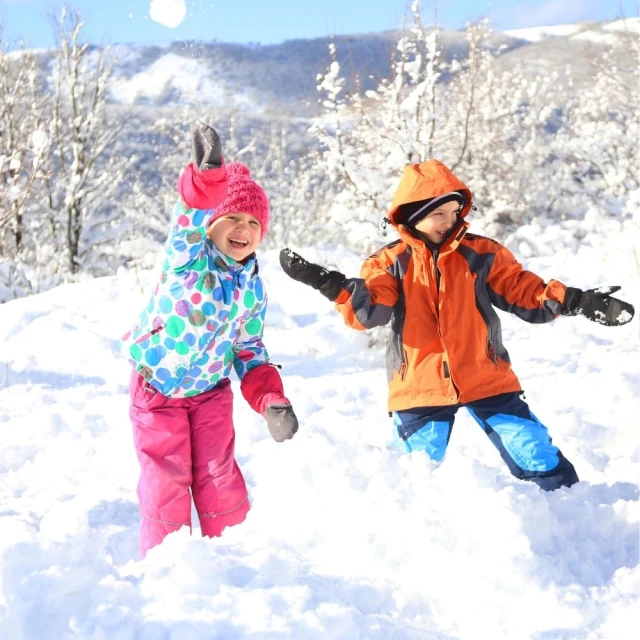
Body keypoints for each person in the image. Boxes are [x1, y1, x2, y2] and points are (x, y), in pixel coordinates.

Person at [279, 159, 634, 492]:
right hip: (419, 384)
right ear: (412, 217)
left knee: (533, 450)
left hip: (486, 375)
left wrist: (576, 300)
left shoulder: (481, 254)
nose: (449, 221)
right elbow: (369, 312)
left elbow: (522, 289)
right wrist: (330, 284)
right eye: (438, 214)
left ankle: (574, 511)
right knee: (413, 473)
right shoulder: (389, 262)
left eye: (454, 212)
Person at [120, 124, 298, 557]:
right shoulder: (187, 260)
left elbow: (250, 351)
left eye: (254, 222)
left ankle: (231, 555)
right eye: (233, 218)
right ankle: (168, 561)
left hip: (210, 393)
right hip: (157, 387)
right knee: (167, 477)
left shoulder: (253, 288)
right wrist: (208, 183)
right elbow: (188, 218)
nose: (244, 228)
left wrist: (271, 398)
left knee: (219, 473)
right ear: (212, 224)